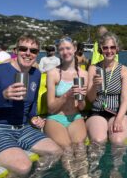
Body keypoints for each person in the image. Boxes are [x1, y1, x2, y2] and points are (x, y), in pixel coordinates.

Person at [0, 34, 62, 177]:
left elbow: (32, 106)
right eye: (23, 49)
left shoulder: (35, 74)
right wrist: (3, 96)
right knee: (23, 166)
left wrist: (34, 119)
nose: (28, 53)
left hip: (22, 128)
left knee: (56, 152)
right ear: (15, 51)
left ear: (37, 54)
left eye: (33, 51)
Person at [86, 32, 127, 176]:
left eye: (112, 47)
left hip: (117, 112)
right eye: (105, 47)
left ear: (117, 48)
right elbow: (90, 98)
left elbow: (125, 99)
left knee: (117, 141)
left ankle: (116, 170)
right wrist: (94, 85)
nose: (109, 51)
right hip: (97, 111)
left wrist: (119, 119)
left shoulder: (124, 70)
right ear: (101, 49)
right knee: (98, 140)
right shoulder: (93, 68)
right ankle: (93, 170)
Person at [44, 37, 88, 177]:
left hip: (75, 117)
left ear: (74, 49)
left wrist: (80, 100)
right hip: (56, 118)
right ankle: (72, 174)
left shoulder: (84, 74)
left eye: (68, 48)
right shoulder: (53, 73)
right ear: (58, 52)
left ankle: (84, 175)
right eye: (61, 49)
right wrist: (67, 94)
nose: (65, 51)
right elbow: (51, 108)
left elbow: (81, 107)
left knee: (80, 147)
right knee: (67, 149)